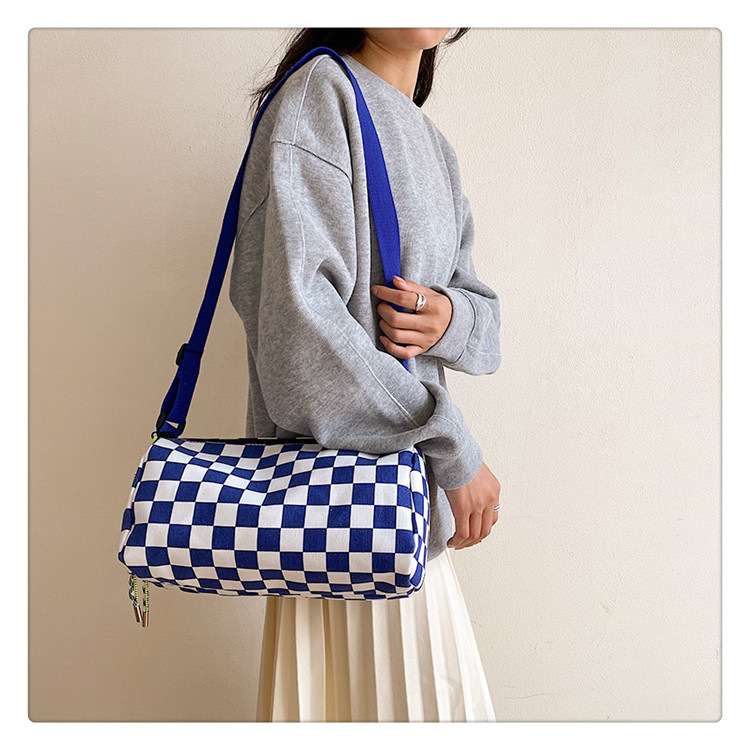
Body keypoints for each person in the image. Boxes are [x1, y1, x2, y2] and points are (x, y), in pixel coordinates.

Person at [229, 27, 502, 722]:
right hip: (339, 513)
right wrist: (452, 446)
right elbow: (299, 344)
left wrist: (448, 317)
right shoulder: (320, 97)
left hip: (403, 511)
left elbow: (486, 324)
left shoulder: (434, 144)